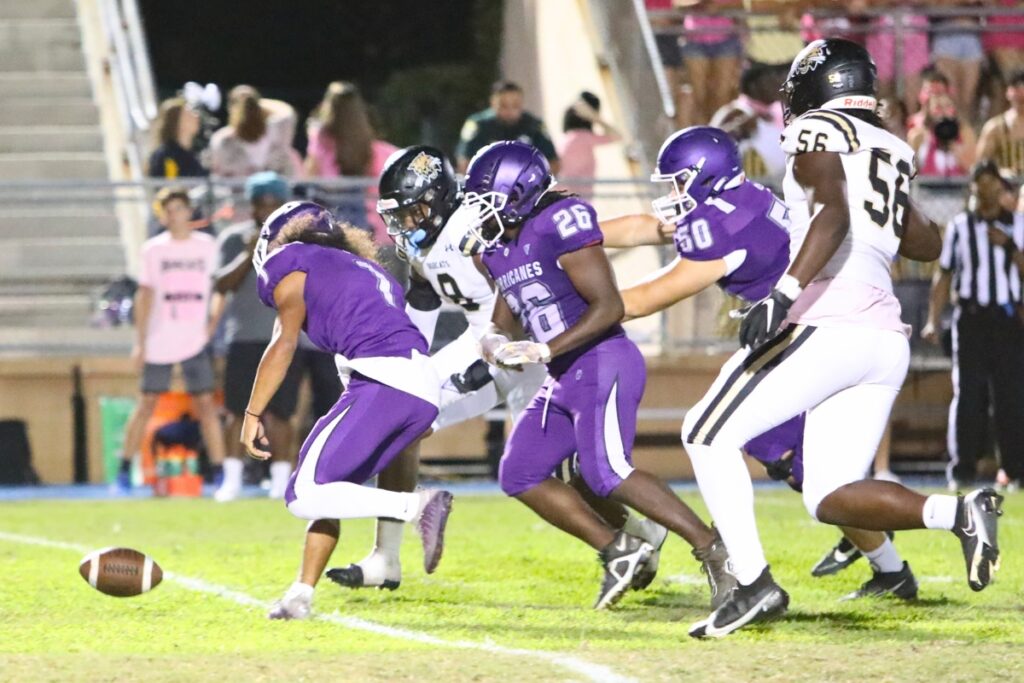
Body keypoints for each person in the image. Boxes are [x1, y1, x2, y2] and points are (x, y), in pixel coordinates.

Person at [680, 39, 1003, 639]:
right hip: (883, 337)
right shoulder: (888, 145)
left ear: (815, 87)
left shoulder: (817, 130)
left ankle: (752, 586)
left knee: (704, 431)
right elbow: (926, 244)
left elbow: (832, 211)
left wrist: (781, 294)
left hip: (831, 314)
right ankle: (957, 511)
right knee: (829, 492)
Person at [328, 146, 666, 593]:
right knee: (400, 418)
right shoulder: (423, 246)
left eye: (413, 212)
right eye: (399, 216)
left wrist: (657, 231)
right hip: (484, 344)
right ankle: (385, 558)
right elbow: (424, 303)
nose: (406, 225)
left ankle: (639, 534)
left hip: (533, 348)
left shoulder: (480, 222)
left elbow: (528, 288)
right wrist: (395, 366)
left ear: (438, 197)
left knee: (568, 472)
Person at [602, 125, 916, 600]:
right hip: (798, 330)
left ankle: (765, 578)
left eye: (678, 182)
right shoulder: (742, 198)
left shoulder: (723, 223)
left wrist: (577, 306)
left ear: (704, 177)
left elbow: (647, 298)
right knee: (792, 462)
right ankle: (888, 568)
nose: (671, 194)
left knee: (780, 462)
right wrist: (577, 239)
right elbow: (649, 227)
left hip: (800, 336)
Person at [461, 140, 735, 610]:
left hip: (601, 358)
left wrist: (545, 347)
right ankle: (619, 548)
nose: (480, 212)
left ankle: (715, 549)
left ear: (519, 190)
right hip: (563, 371)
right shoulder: (494, 246)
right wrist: (491, 341)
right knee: (519, 472)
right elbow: (504, 310)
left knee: (606, 473)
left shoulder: (558, 222)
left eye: (487, 199)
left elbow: (608, 306)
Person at [244, 201, 454, 620]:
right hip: (416, 382)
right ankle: (300, 595)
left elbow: (282, 344)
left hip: (386, 379)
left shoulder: (291, 260)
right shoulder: (368, 275)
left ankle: (416, 506)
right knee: (327, 489)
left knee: (303, 493)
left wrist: (252, 415)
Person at [114, 188, 226, 493]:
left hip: (194, 335)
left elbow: (219, 288)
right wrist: (140, 340)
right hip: (160, 336)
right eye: (169, 209)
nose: (175, 214)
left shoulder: (207, 247)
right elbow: (145, 294)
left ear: (190, 212)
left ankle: (219, 470)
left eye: (180, 208)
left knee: (205, 402)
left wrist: (211, 325)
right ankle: (124, 467)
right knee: (147, 401)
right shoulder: (154, 250)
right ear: (162, 215)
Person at [922, 160, 1024, 493]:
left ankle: (1014, 470)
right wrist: (933, 319)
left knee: (1010, 397)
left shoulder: (1018, 226)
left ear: (1001, 187)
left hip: (1006, 319)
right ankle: (962, 469)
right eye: (980, 181)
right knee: (968, 395)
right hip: (971, 319)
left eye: (992, 181)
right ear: (973, 187)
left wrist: (1008, 247)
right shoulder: (960, 227)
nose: (986, 187)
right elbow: (944, 275)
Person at [212, 172, 298, 502]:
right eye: (261, 205)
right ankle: (231, 479)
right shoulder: (236, 239)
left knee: (282, 413)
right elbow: (221, 284)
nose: (267, 211)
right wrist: (250, 253)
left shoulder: (297, 240)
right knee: (237, 410)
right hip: (244, 337)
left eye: (274, 205)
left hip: (284, 336)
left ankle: (280, 480)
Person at [304, 81, 399, 244]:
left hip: (334, 214)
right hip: (368, 219)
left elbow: (311, 175)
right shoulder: (366, 136)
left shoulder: (322, 137)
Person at [455, 81, 559, 174]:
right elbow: (464, 162)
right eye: (503, 105)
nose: (510, 111)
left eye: (515, 105)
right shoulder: (478, 125)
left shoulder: (534, 126)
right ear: (493, 103)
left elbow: (553, 162)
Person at [709, 66, 787, 182]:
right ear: (753, 87)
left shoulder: (777, 109)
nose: (776, 85)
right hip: (757, 181)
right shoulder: (736, 110)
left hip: (780, 177)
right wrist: (738, 126)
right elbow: (712, 141)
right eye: (769, 81)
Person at [209, 85, 298, 178]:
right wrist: (253, 102)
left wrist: (244, 102)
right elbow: (287, 111)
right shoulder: (223, 140)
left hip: (270, 190)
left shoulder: (275, 131)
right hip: (240, 191)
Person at [556, 92, 621, 198]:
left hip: (565, 198)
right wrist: (594, 117)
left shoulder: (569, 138)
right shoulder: (580, 138)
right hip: (573, 199)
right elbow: (618, 136)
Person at [907, 87, 977, 178]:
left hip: (959, 187)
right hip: (927, 188)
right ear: (929, 110)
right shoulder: (917, 136)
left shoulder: (965, 133)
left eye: (948, 107)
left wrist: (956, 151)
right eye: (938, 107)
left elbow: (972, 169)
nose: (944, 112)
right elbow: (912, 173)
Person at [977, 70, 1024, 178]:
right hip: (1006, 186)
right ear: (1008, 93)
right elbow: (981, 166)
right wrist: (1001, 172)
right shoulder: (995, 127)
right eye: (1016, 88)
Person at [148, 97, 205, 179]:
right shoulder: (167, 156)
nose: (196, 117)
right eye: (188, 116)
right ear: (177, 123)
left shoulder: (195, 152)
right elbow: (167, 187)